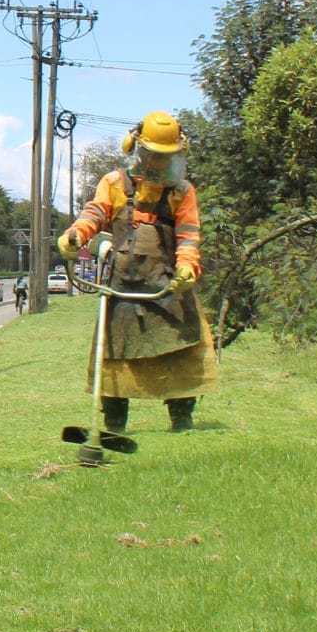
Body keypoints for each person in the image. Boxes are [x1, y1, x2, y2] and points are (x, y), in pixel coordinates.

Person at [58, 110, 215, 434]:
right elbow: (94, 214)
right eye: (154, 155)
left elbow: (188, 234)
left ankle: (182, 420)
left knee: (181, 352)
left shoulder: (181, 191)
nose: (159, 163)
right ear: (137, 150)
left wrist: (188, 266)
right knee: (115, 356)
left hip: (168, 285)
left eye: (166, 157)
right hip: (123, 286)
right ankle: (114, 425)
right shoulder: (114, 183)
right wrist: (75, 236)